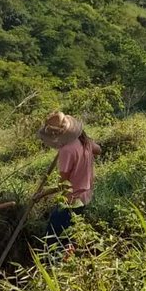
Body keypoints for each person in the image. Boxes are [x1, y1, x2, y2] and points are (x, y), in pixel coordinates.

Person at [35, 111, 100, 262]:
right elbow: (99, 150)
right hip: (86, 196)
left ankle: (53, 267)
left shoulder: (66, 151)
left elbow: (63, 186)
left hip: (71, 200)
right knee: (71, 233)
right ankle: (72, 262)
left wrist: (42, 194)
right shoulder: (84, 141)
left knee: (52, 238)